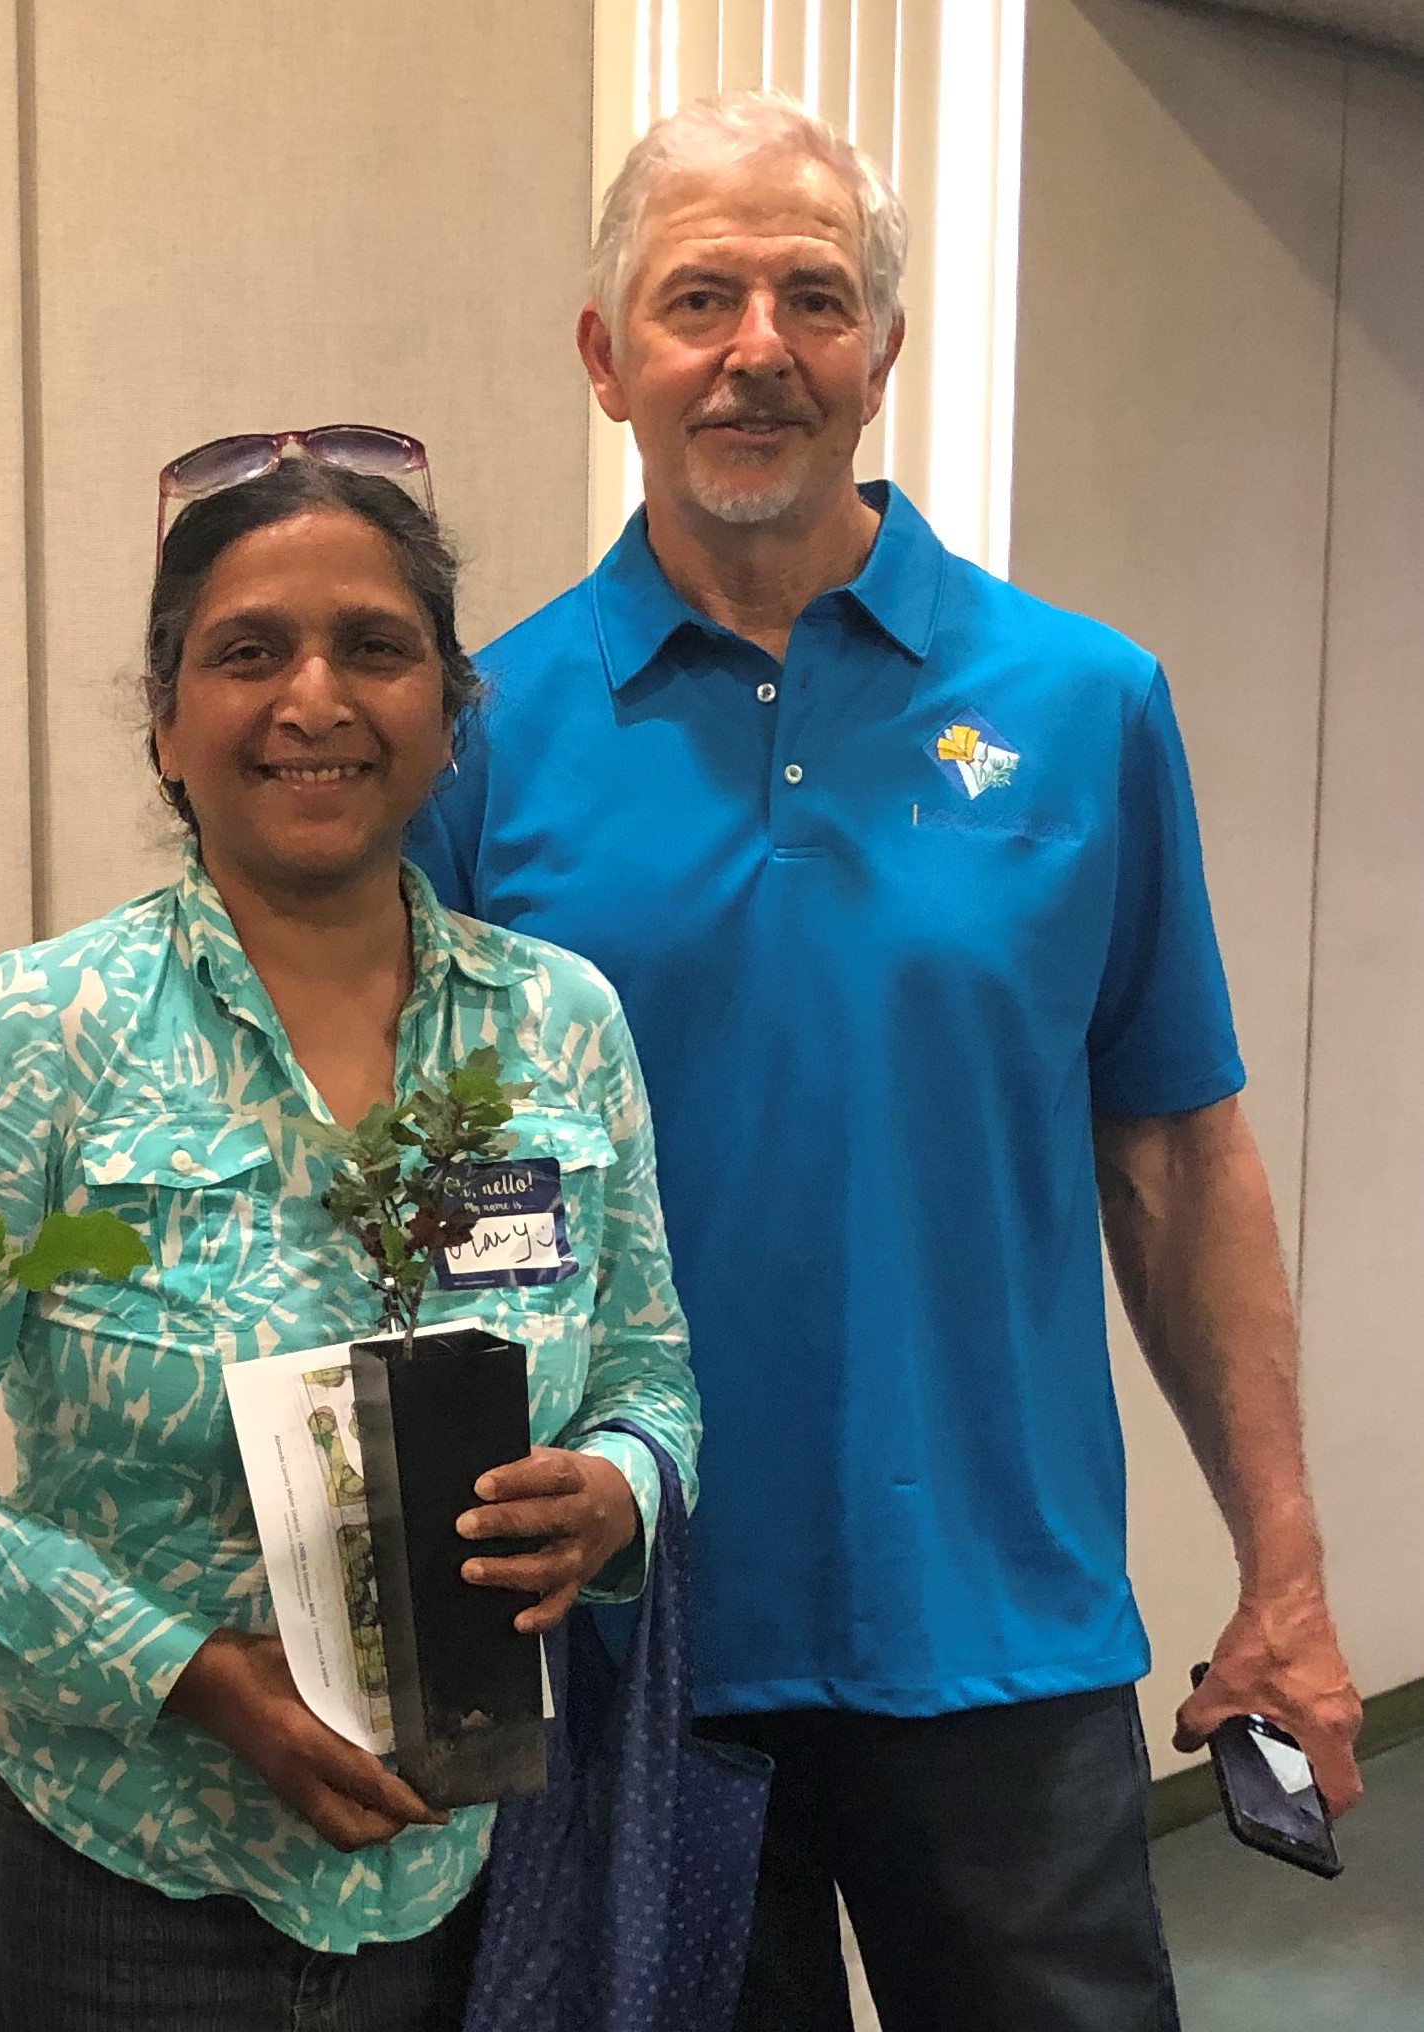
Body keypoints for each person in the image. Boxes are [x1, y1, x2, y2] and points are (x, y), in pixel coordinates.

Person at [409, 93, 1364, 2030]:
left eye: (812, 296)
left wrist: (1280, 1572)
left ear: (880, 356)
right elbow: (398, 1205)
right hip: (627, 1634)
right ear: (606, 357)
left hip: (999, 1639)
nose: (757, 345)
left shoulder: (1081, 703)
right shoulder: (481, 735)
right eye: (698, 298)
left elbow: (1176, 1157)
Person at [0, 433, 702, 2031]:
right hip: (123, 1891)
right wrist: (179, 1670)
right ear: (167, 726)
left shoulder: (560, 1029)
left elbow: (653, 1376)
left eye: (376, 649)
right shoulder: (44, 1033)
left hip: (467, 1884)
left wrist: (617, 1494)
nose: (315, 698)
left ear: (452, 716)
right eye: (249, 654)